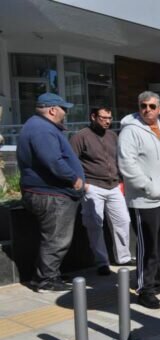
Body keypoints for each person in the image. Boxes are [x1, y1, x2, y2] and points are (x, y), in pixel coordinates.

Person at [118, 91, 160, 309]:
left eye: (152, 106)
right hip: (145, 200)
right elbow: (128, 165)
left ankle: (159, 282)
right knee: (149, 247)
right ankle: (145, 289)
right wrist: (150, 186)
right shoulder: (130, 132)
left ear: (159, 109)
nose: (147, 109)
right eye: (143, 105)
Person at [17, 93, 85, 292]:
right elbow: (53, 161)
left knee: (54, 237)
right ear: (53, 110)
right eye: (64, 109)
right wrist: (74, 178)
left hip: (49, 192)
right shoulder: (42, 130)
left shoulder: (38, 126)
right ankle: (45, 280)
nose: (65, 113)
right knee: (57, 238)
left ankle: (49, 273)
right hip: (51, 194)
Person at [70, 106, 132, 276]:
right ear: (93, 117)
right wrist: (84, 184)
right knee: (95, 225)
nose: (107, 121)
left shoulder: (113, 136)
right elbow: (71, 161)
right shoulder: (80, 136)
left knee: (123, 221)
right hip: (92, 186)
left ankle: (123, 257)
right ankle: (102, 262)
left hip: (113, 186)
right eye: (103, 118)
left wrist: (121, 180)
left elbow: (120, 158)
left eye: (109, 118)